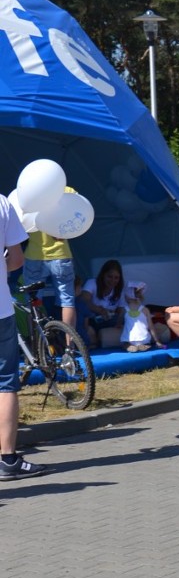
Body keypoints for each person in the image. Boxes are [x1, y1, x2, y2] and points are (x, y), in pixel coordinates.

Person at [0, 194, 50, 479]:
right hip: (0, 310)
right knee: (5, 384)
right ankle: (7, 459)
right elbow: (17, 259)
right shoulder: (3, 204)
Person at [22, 228, 76, 330]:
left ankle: (36, 342)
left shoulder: (30, 210)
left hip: (34, 255)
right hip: (61, 254)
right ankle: (70, 344)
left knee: (32, 301)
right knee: (67, 301)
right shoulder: (60, 210)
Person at [79, 260, 125, 347]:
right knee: (84, 317)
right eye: (109, 277)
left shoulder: (119, 289)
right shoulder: (92, 283)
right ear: (103, 275)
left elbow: (121, 310)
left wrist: (115, 317)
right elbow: (84, 300)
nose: (113, 280)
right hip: (93, 319)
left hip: (109, 320)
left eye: (116, 278)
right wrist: (100, 310)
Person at [120, 282, 166, 352]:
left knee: (125, 342)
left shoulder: (124, 310)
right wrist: (157, 341)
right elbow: (151, 327)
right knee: (146, 339)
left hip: (128, 338)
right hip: (143, 338)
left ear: (127, 296)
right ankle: (143, 345)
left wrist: (118, 325)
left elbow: (119, 321)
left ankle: (128, 345)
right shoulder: (145, 310)